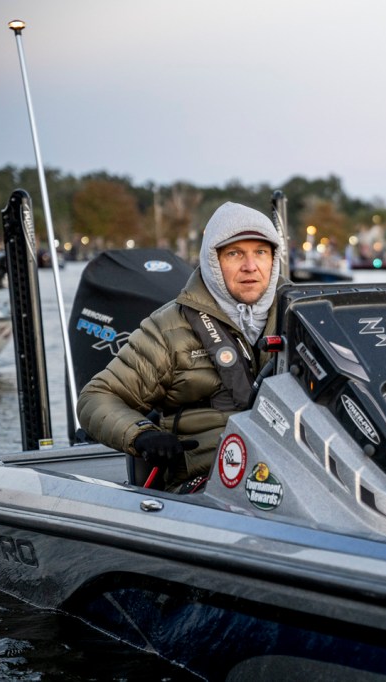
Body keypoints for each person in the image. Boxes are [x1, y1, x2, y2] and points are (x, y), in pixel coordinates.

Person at [78, 201, 285, 493]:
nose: (250, 266)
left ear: (274, 259)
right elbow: (96, 397)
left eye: (261, 252)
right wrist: (142, 435)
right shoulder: (168, 328)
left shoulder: (304, 315)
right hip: (207, 485)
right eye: (235, 253)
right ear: (213, 260)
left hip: (295, 474)